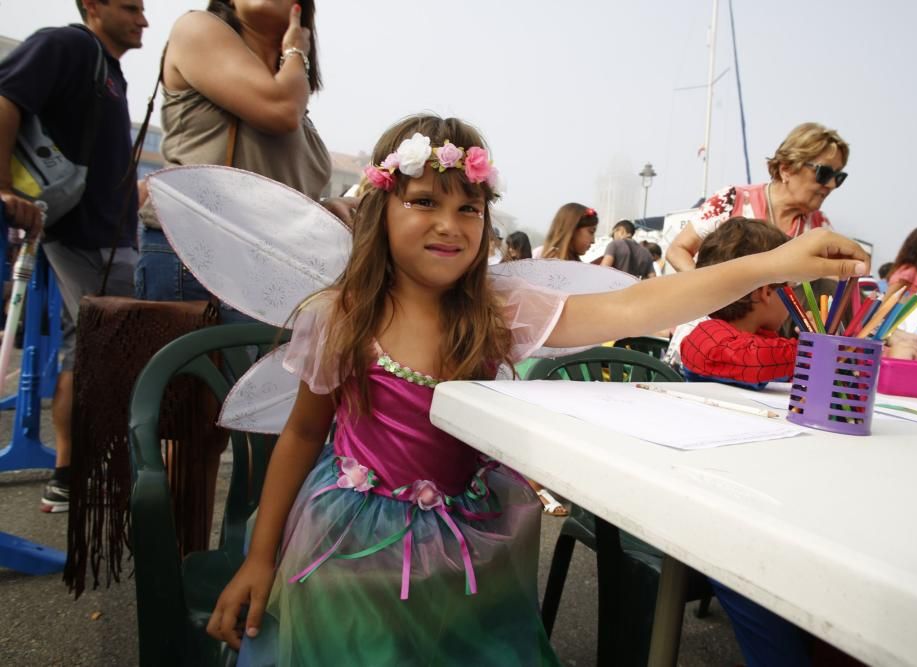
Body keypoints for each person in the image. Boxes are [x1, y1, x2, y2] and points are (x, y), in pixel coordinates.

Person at [204, 113, 870, 663]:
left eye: (469, 207)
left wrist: (770, 262)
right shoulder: (345, 313)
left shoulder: (497, 310)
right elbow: (301, 431)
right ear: (381, 206)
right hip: (352, 543)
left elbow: (644, 307)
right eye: (425, 201)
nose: (449, 223)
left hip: (467, 545)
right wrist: (259, 557)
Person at [0, 0, 148, 512]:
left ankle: (73, 474)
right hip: (82, 235)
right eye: (131, 7)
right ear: (92, 6)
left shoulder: (107, 70)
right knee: (100, 355)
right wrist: (3, 190)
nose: (143, 20)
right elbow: (5, 98)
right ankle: (83, 474)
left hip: (106, 236)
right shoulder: (65, 44)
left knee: (85, 353)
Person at [135, 0, 331, 311]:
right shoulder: (196, 27)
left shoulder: (293, 96)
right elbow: (279, 111)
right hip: (198, 260)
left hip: (269, 271)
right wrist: (296, 52)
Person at [666, 122, 849, 272]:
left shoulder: (820, 226)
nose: (831, 185)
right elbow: (677, 250)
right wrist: (707, 291)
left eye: (838, 177)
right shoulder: (730, 201)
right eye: (824, 173)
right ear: (786, 169)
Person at [680, 218, 796, 389]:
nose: (794, 293)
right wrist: (815, 351)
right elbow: (753, 358)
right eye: (790, 285)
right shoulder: (706, 335)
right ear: (767, 292)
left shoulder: (766, 339)